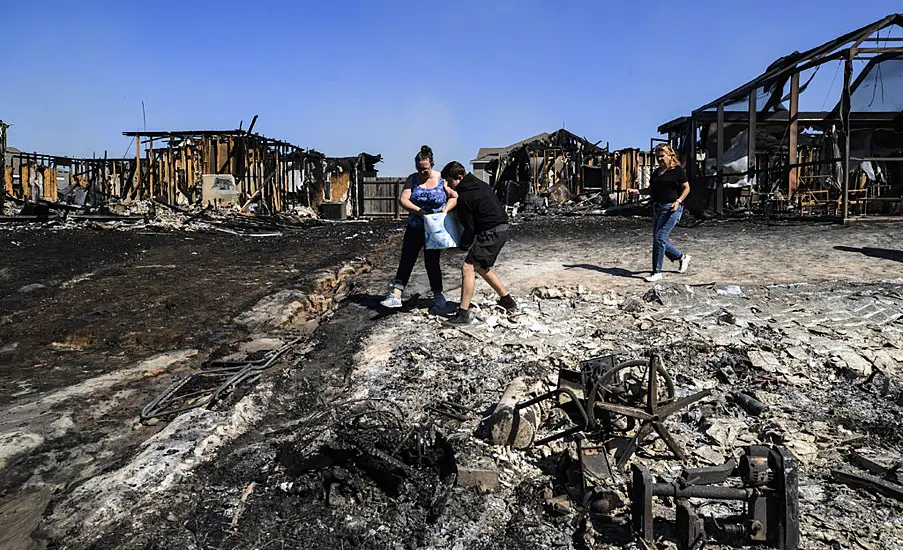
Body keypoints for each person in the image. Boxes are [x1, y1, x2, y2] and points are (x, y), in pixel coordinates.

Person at [380, 145, 458, 309]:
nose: (422, 172)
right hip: (415, 227)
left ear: (432, 164)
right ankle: (396, 294)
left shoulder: (442, 179)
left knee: (432, 262)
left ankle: (437, 294)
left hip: (434, 229)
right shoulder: (412, 179)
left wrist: (444, 211)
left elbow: (454, 197)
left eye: (425, 169)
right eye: (419, 168)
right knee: (407, 259)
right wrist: (420, 212)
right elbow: (404, 200)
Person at [439, 161, 517, 325]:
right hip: (501, 229)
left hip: (491, 232)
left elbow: (469, 228)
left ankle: (463, 314)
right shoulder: (479, 184)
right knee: (480, 266)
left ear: (459, 178)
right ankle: (507, 301)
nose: (448, 184)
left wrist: (463, 246)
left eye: (449, 181)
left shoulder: (465, 196)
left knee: (467, 267)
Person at [628, 143, 691, 282]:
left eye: (662, 156)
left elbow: (687, 188)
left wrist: (678, 201)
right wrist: (637, 191)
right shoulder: (656, 172)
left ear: (670, 155)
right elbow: (651, 190)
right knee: (658, 239)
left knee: (660, 238)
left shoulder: (677, 170)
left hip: (672, 208)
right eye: (657, 157)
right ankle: (682, 257)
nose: (660, 159)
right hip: (657, 207)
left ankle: (657, 272)